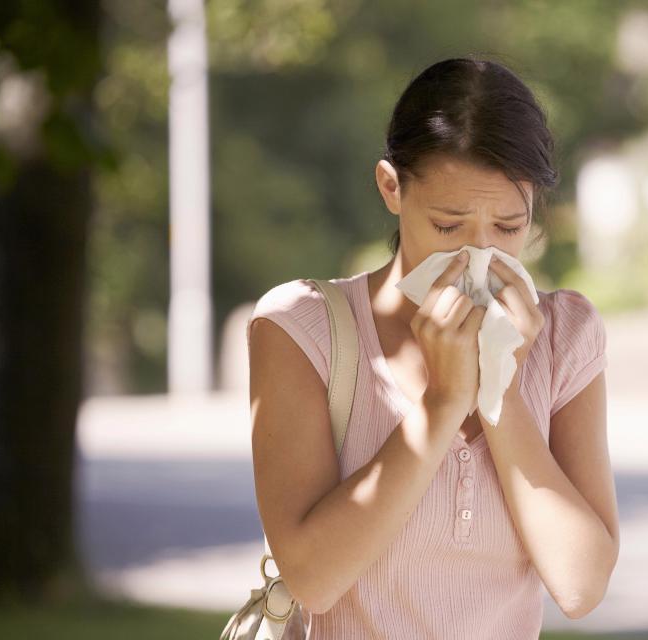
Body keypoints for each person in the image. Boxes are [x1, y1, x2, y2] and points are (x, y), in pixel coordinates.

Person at [246, 56, 620, 639]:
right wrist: (443, 402)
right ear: (391, 187)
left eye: (507, 228)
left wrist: (500, 390)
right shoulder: (302, 328)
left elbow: (580, 584)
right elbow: (314, 580)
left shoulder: (565, 336)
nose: (479, 257)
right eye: (448, 226)